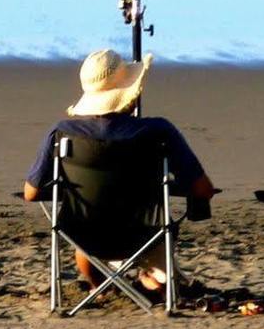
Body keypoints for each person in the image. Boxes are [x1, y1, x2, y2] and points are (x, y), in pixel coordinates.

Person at [23, 48, 214, 292]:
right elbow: (202, 189)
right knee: (163, 266)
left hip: (86, 235)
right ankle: (151, 282)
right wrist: (165, 187)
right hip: (147, 233)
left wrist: (74, 188)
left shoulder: (62, 132)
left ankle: (106, 288)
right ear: (130, 91)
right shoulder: (158, 131)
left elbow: (30, 193)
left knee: (85, 242)